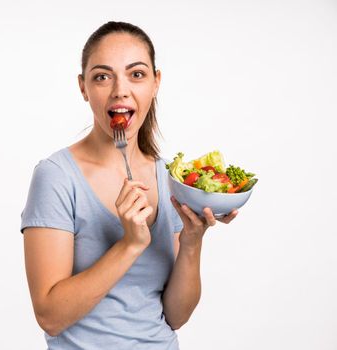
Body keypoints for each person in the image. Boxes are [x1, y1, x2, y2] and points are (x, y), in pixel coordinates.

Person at [20, 21, 237, 350]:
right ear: (83, 87)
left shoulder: (170, 178)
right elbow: (50, 316)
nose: (120, 89)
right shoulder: (57, 176)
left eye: (136, 74)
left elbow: (176, 315)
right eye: (102, 76)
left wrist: (193, 242)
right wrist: (129, 245)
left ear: (155, 83)